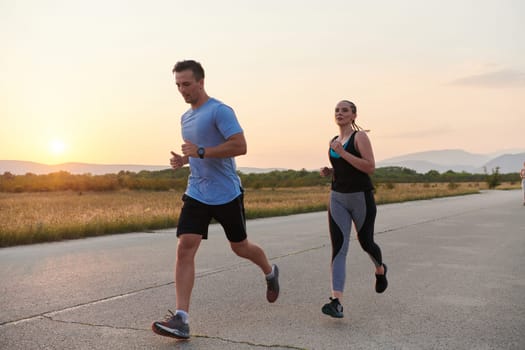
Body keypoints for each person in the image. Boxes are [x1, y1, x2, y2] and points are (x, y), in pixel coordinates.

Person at [152, 60, 279, 340]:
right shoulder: (185, 118)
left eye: (186, 84)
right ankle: (181, 319)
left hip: (226, 193)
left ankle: (270, 271)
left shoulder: (220, 111)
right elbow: (199, 153)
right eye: (178, 85)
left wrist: (199, 151)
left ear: (200, 82)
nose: (182, 90)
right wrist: (185, 159)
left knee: (241, 247)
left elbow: (240, 146)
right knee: (185, 246)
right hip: (197, 191)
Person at [319, 100, 387, 318]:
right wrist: (330, 170)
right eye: (337, 110)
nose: (339, 113)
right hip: (337, 197)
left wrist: (343, 153)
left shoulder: (360, 137)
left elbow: (370, 167)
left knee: (366, 243)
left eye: (344, 110)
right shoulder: (333, 141)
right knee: (339, 247)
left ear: (354, 116)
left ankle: (380, 269)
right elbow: (344, 168)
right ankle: (336, 301)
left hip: (360, 198)